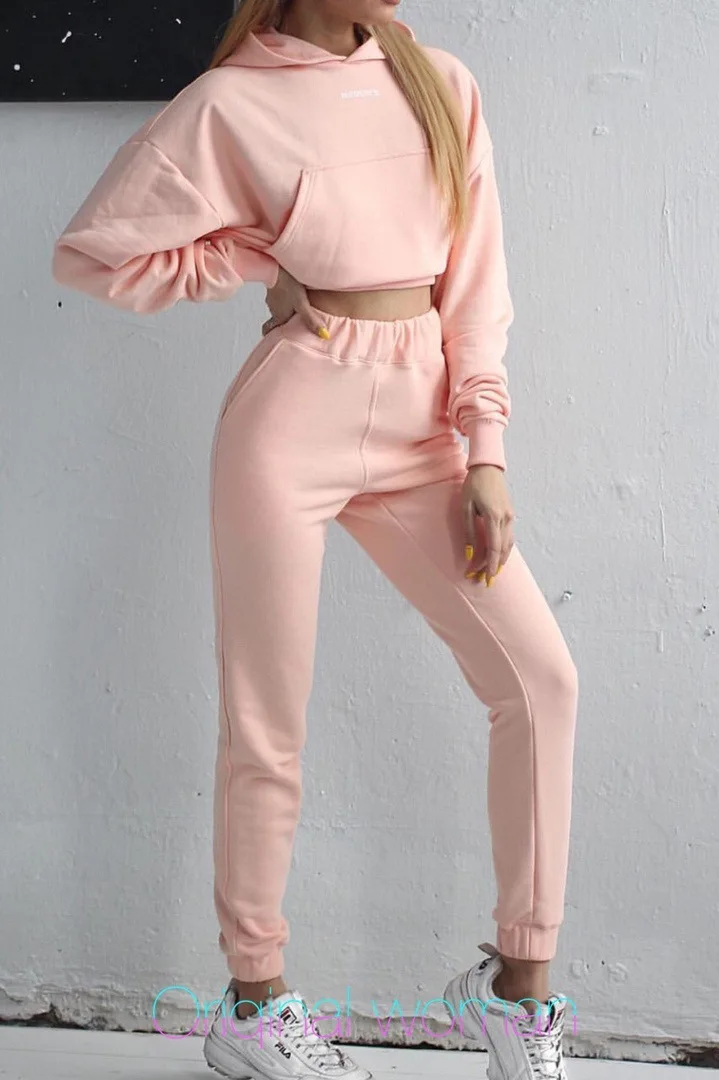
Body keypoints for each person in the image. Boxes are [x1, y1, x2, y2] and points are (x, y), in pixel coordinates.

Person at [52, 1, 579, 1077]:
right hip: (291, 421)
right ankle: (254, 1003)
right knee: (267, 726)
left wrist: (485, 449)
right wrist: (255, 260)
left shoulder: (439, 82)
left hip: (427, 427)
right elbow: (93, 253)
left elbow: (476, 286)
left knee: (540, 682)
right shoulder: (229, 104)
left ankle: (517, 994)